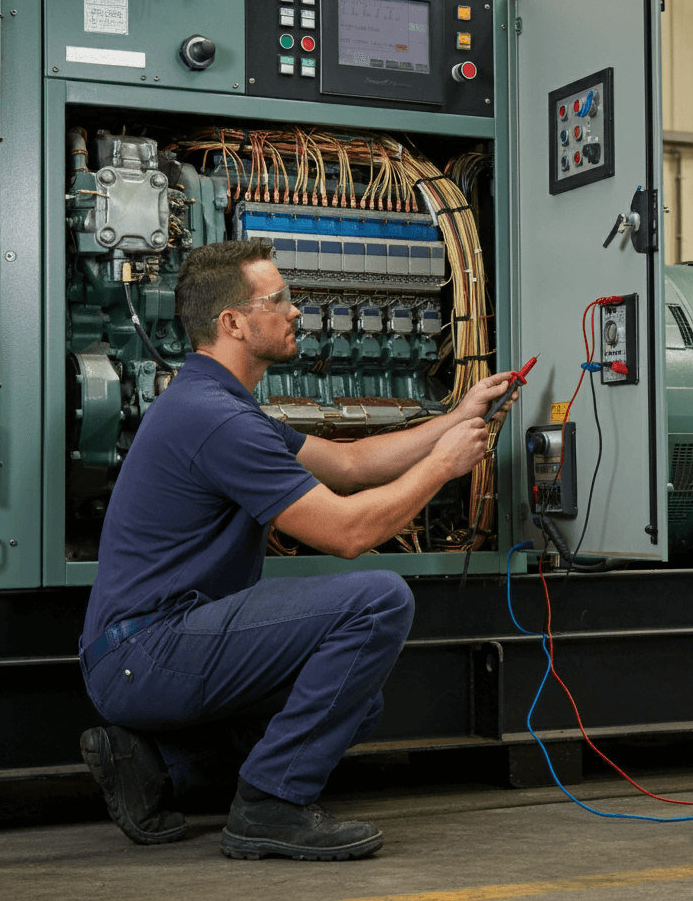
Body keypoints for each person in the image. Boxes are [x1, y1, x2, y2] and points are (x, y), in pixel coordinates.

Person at [78, 238, 514, 861]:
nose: (295, 311)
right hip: (146, 652)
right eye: (278, 299)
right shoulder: (217, 418)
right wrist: (443, 467)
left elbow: (350, 464)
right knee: (378, 600)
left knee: (353, 704)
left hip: (143, 649)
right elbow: (348, 534)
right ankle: (270, 806)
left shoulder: (216, 403)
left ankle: (154, 767)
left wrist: (457, 415)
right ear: (232, 322)